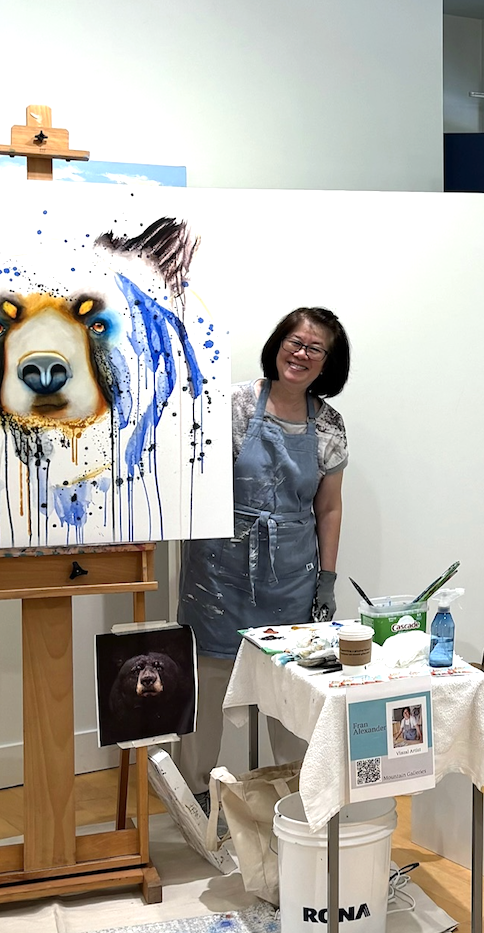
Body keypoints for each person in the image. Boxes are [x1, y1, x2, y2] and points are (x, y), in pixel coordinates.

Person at [176, 308, 351, 796]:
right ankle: (194, 796)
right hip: (219, 570)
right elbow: (191, 479)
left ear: (328, 364)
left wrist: (327, 579)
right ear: (278, 344)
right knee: (207, 683)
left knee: (290, 688)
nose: (301, 354)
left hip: (291, 574)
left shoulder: (329, 425)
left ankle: (297, 798)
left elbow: (329, 508)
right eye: (295, 342)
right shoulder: (230, 405)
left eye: (315, 349)